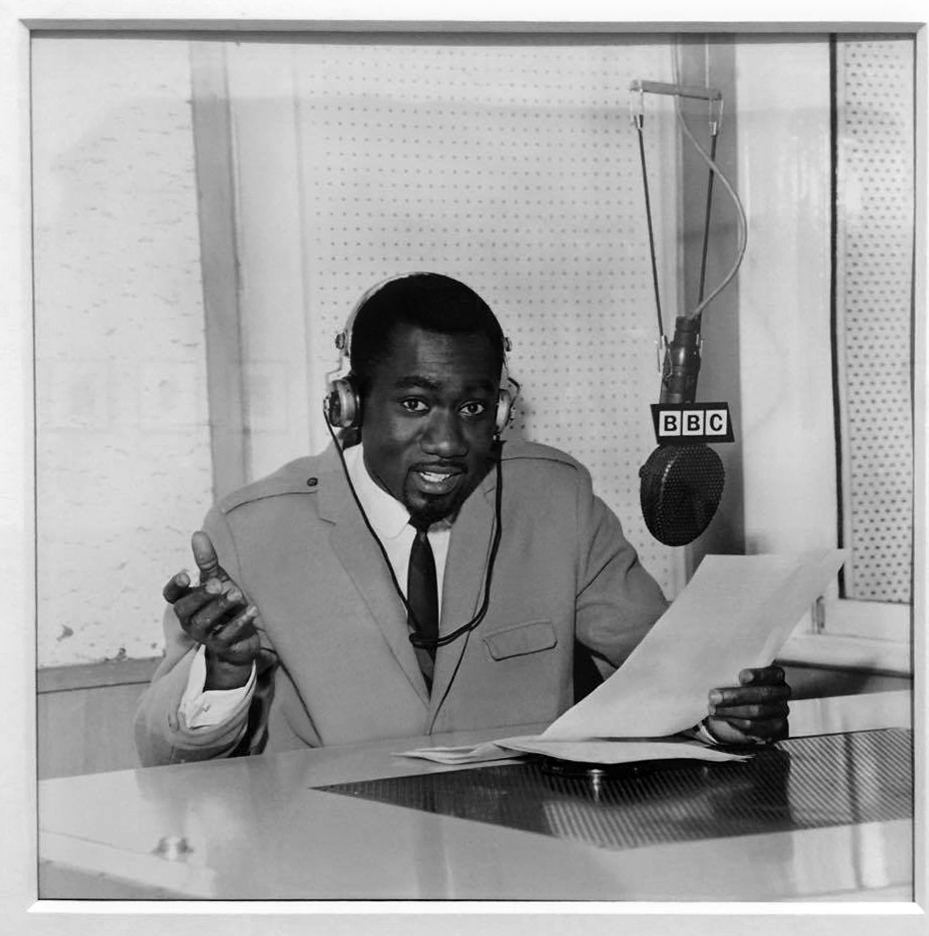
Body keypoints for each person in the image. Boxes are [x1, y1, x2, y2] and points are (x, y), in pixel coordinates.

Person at [134, 272, 790, 765]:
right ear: (350, 406)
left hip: (521, 850)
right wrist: (225, 672)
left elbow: (670, 672)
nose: (448, 443)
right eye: (415, 404)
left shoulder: (556, 501)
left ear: (500, 413)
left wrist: (726, 713)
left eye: (473, 409)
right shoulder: (253, 530)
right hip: (334, 857)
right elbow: (161, 752)